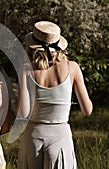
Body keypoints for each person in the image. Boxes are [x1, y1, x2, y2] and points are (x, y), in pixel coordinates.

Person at [17, 21, 93, 169]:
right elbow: (87, 110)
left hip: (33, 137)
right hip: (61, 138)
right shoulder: (73, 67)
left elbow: (23, 113)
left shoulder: (26, 69)